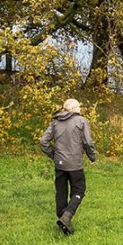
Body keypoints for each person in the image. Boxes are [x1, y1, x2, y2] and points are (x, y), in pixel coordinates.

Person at [39, 98, 96, 235]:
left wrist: (53, 155)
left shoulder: (55, 122)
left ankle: (63, 219)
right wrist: (92, 157)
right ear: (74, 108)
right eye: (79, 106)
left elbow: (43, 141)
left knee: (61, 192)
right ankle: (67, 216)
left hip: (60, 164)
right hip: (75, 164)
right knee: (79, 190)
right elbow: (88, 142)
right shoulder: (81, 121)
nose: (80, 109)